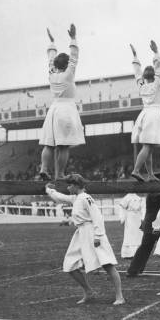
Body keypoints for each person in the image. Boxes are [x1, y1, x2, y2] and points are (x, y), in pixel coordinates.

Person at [45, 174, 125, 305]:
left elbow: (97, 216)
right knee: (70, 265)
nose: (68, 187)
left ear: (76, 185)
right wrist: (49, 190)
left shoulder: (86, 198)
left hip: (93, 232)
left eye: (70, 185)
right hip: (80, 234)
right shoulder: (75, 198)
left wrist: (98, 236)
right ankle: (89, 292)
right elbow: (59, 197)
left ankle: (119, 296)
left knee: (107, 264)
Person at [39, 24, 85, 181]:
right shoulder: (68, 74)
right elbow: (74, 57)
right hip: (66, 110)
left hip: (53, 109)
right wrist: (73, 38)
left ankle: (44, 168)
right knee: (63, 145)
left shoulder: (52, 73)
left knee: (49, 144)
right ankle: (59, 174)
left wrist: (52, 43)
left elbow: (51, 58)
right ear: (66, 65)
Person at [129, 41, 160, 182]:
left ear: (145, 77)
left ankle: (150, 173)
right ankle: (136, 170)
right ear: (154, 76)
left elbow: (137, 72)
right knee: (147, 145)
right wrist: (156, 52)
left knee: (148, 146)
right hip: (154, 114)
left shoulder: (141, 84)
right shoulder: (157, 82)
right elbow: (159, 67)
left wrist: (135, 56)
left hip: (144, 114)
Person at [127, 192, 160, 277]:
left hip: (149, 223)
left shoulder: (151, 193)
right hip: (158, 223)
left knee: (145, 247)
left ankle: (134, 269)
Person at [118, 193, 144, 259]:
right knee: (129, 234)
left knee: (138, 234)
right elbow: (122, 207)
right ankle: (128, 254)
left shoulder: (139, 198)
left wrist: (142, 218)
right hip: (130, 217)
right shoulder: (127, 197)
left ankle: (137, 252)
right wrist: (122, 217)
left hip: (137, 217)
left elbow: (142, 209)